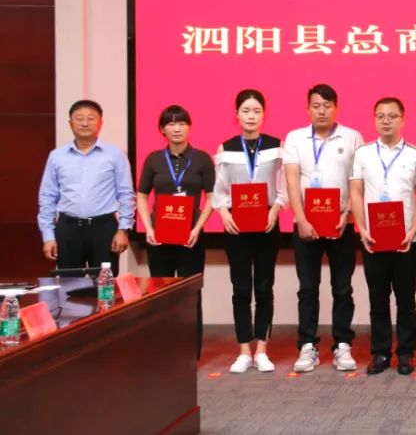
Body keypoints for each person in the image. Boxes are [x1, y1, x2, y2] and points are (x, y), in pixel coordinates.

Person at [283, 84, 363, 372]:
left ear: (336, 108)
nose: (321, 111)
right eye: (316, 106)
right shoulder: (295, 138)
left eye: (327, 105)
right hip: (306, 224)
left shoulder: (352, 137)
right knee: (307, 287)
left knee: (342, 287)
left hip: (342, 223)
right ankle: (307, 345)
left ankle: (342, 344)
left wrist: (348, 213)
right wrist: (301, 219)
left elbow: (357, 181)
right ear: (308, 109)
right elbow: (292, 181)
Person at [349, 97, 416, 376]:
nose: (386, 121)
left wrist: (414, 230)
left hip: (406, 240)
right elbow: (356, 192)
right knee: (378, 300)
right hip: (373, 239)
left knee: (406, 301)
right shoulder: (363, 154)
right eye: (380, 116)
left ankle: (405, 353)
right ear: (374, 119)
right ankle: (380, 353)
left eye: (392, 116)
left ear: (402, 120)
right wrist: (361, 228)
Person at [212, 89, 286, 374]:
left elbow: (283, 186)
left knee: (264, 287)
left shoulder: (276, 147)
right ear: (237, 115)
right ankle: (244, 350)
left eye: (256, 111)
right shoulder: (227, 148)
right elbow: (219, 190)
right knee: (241, 288)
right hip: (236, 225)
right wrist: (224, 213)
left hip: (267, 222)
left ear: (264, 114)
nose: (251, 116)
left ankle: (262, 350)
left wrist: (275, 209)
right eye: (245, 111)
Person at [135, 104, 215, 357]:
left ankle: (191, 351)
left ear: (189, 127)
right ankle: (164, 350)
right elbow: (142, 195)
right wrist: (147, 228)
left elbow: (212, 197)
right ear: (162, 129)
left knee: (191, 294)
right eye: (170, 124)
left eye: (181, 123)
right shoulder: (154, 159)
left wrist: (198, 228)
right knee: (161, 294)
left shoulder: (202, 159)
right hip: (159, 238)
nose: (176, 128)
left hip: (191, 238)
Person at [38, 99, 135, 269]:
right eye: (79, 118)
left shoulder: (115, 154)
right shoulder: (57, 156)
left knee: (105, 282)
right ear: (70, 123)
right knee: (69, 282)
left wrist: (123, 230)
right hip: (68, 228)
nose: (85, 123)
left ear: (100, 123)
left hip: (104, 228)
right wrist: (48, 236)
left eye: (91, 118)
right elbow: (47, 197)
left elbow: (126, 194)